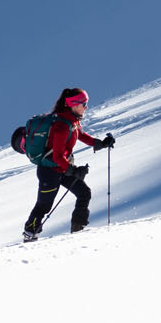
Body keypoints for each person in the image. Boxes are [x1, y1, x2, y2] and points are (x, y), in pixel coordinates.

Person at [22, 87, 115, 241]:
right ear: (73, 105)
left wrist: (102, 143)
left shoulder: (72, 121)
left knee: (84, 193)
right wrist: (74, 170)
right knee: (43, 206)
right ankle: (29, 234)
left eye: (86, 103)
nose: (86, 107)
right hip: (49, 172)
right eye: (83, 103)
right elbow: (57, 156)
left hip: (63, 169)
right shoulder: (61, 126)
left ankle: (77, 232)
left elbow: (82, 136)